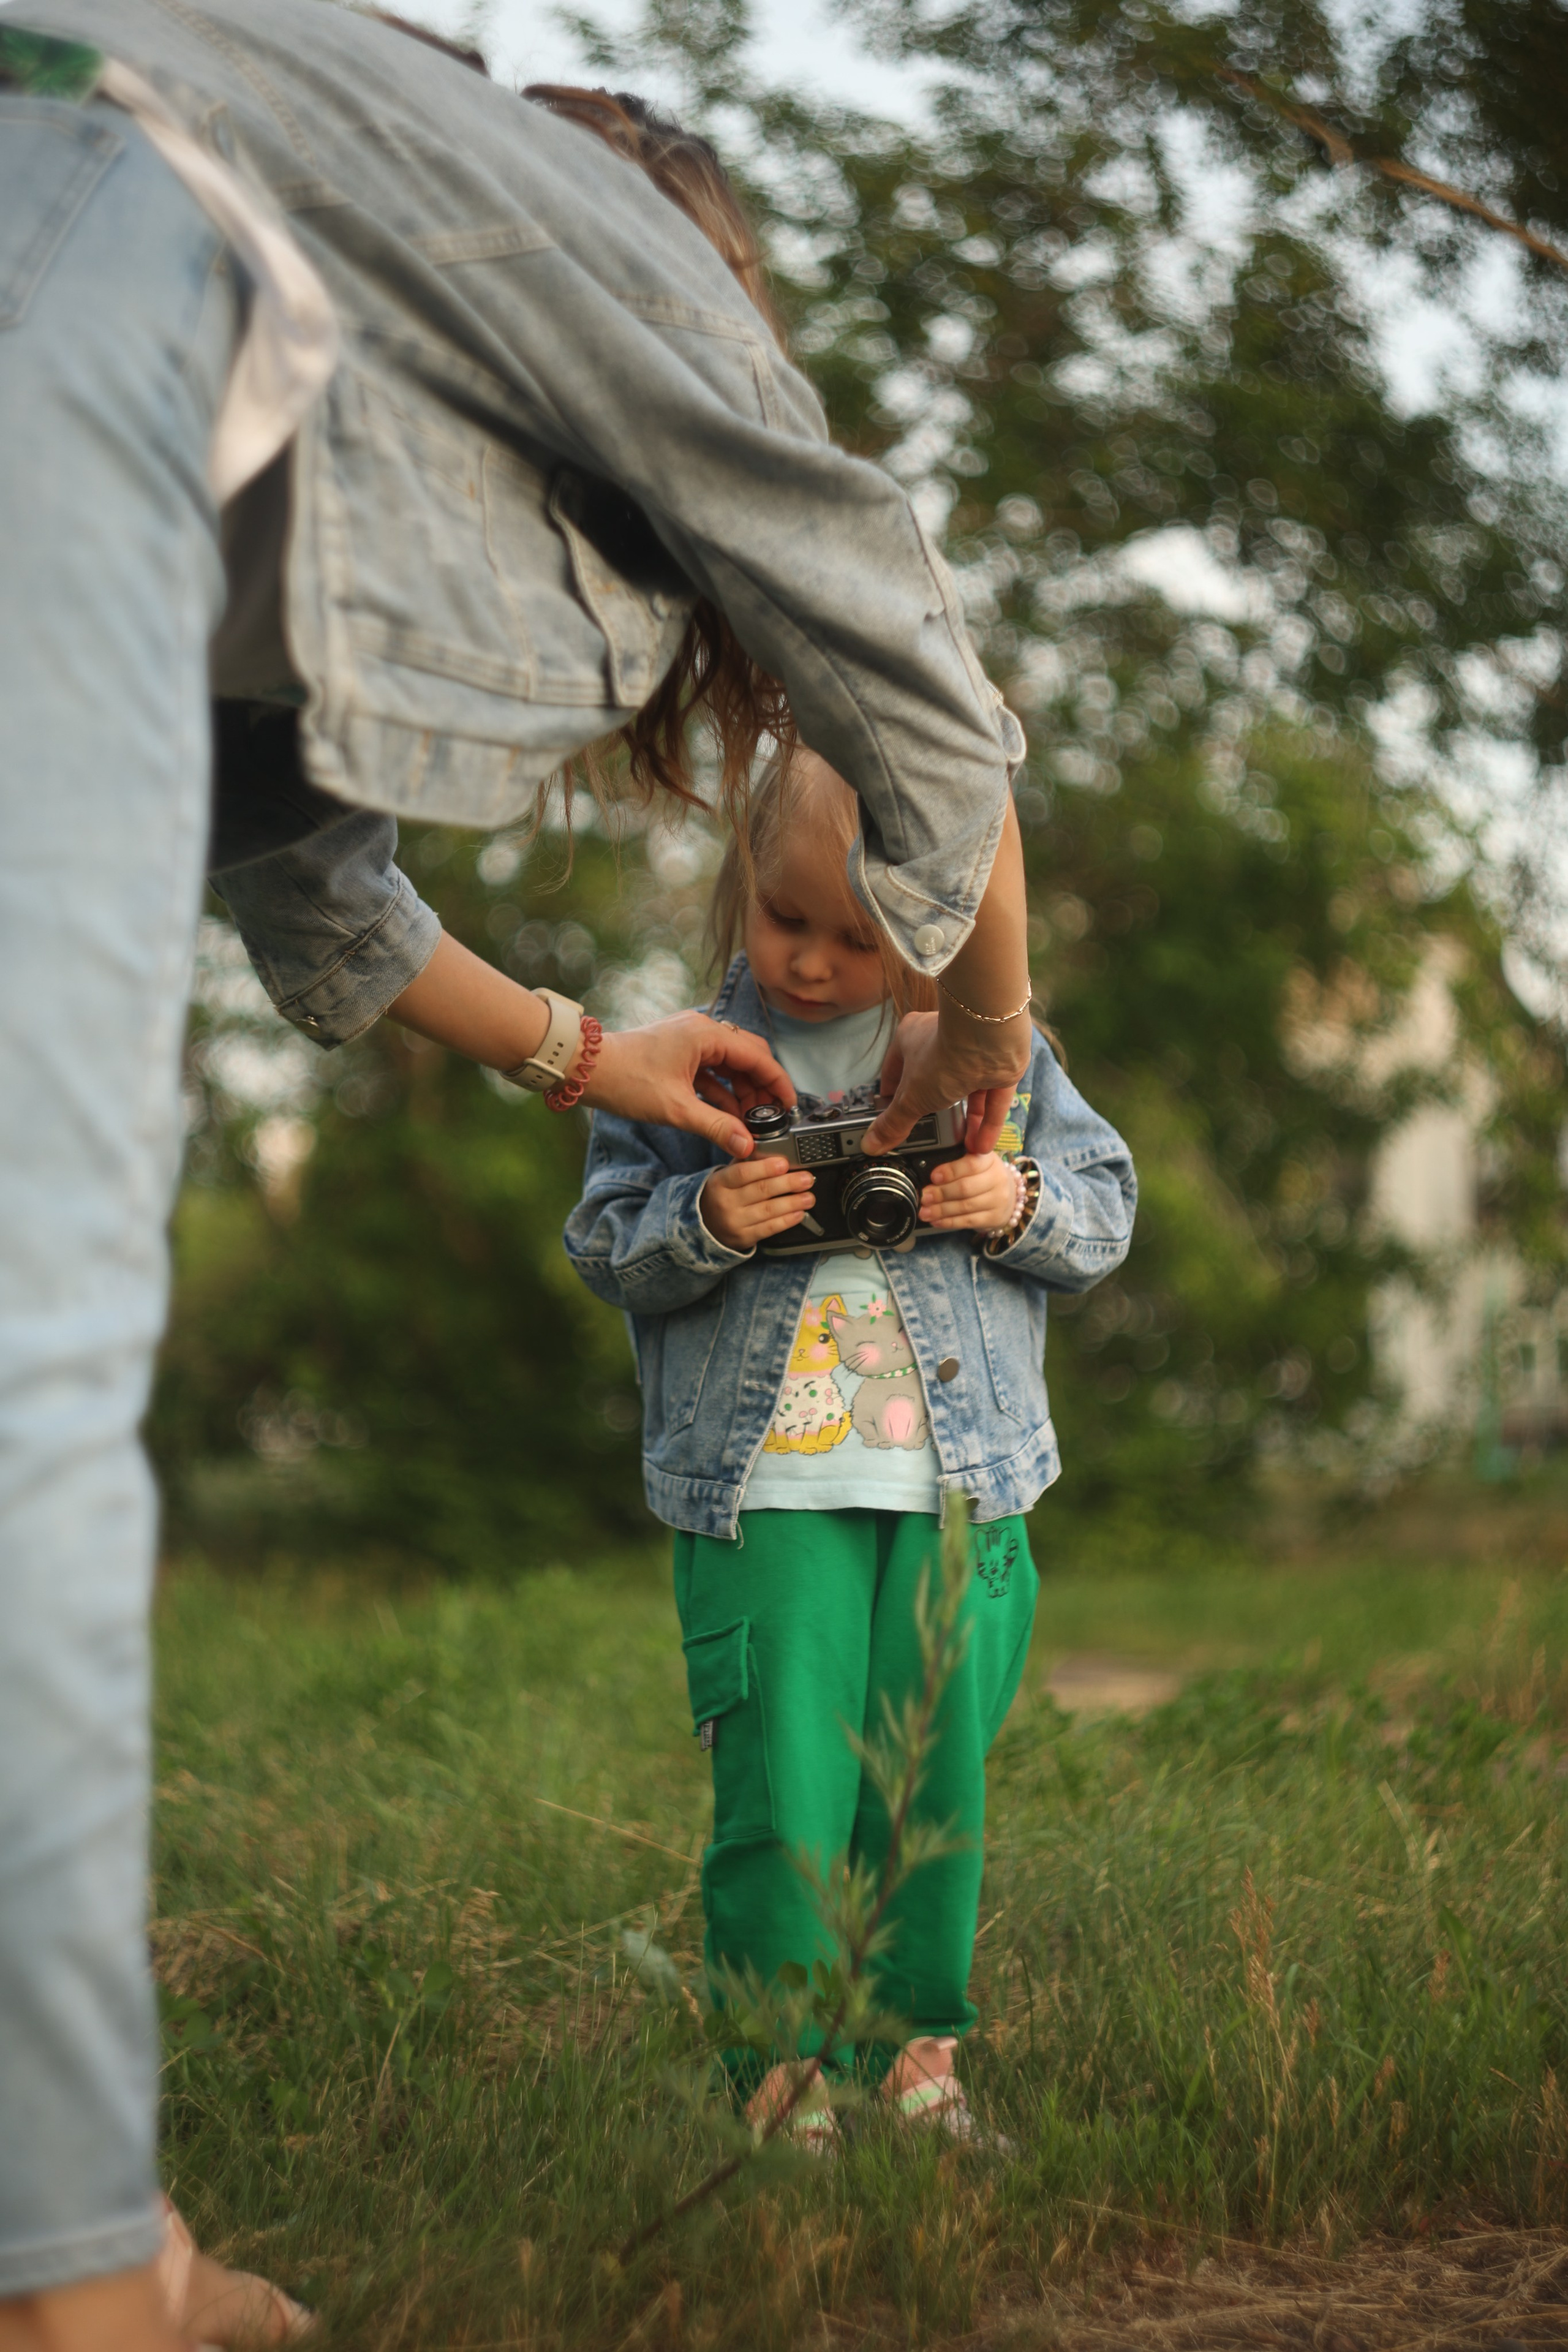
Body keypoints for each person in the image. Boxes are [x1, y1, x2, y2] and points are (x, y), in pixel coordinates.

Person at [0, 4, 1041, 2343]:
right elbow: (908, 653)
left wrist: (588, 1053)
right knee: (24, 1377)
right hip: (51, 398)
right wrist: (988, 1030)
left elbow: (316, 887)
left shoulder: (313, 236)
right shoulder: (596, 229)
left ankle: (71, 2232)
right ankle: (72, 2290)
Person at [564, 753, 1136, 2145]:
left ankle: (913, 2056)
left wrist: (1010, 1199)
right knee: (784, 1791)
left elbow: (1105, 1211)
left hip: (960, 1487)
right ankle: (778, 2078)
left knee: (931, 1784)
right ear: (742, 890)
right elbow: (603, 1243)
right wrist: (708, 1221)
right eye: (785, 920)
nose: (814, 963)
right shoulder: (681, 1062)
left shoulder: (998, 1049)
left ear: (931, 921)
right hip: (761, 1490)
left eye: (858, 938)